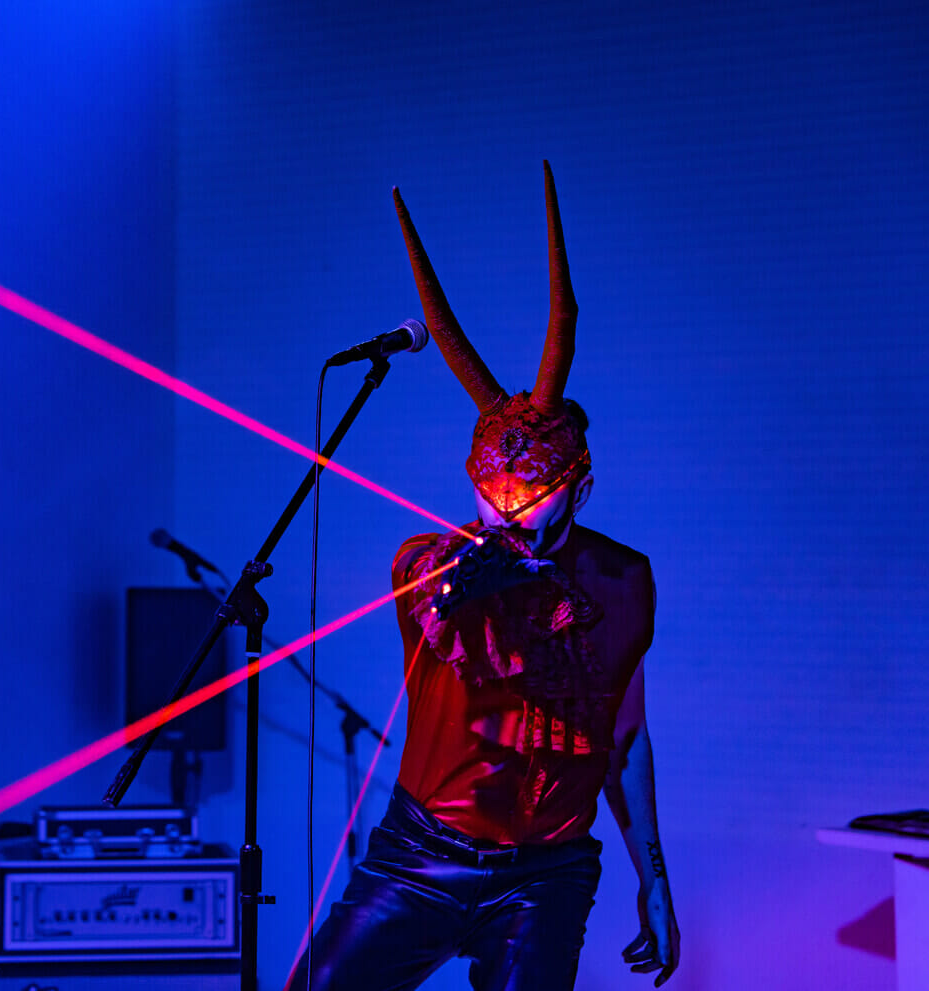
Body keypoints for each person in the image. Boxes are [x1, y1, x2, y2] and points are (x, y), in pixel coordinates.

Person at [289, 163, 678, 990]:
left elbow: (626, 733)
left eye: (530, 499)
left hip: (547, 871)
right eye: (492, 496)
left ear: (578, 487)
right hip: (421, 856)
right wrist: (467, 577)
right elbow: (430, 580)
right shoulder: (431, 564)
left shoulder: (622, 580)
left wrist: (655, 877)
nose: (508, 515)